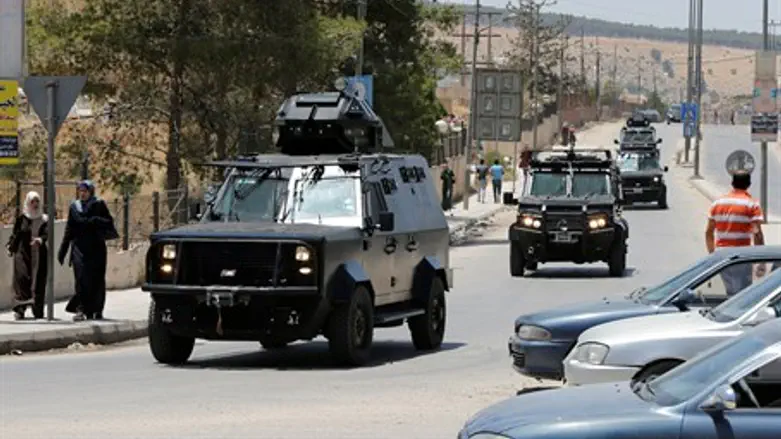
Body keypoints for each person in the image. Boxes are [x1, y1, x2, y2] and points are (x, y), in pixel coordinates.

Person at [58, 180, 118, 321]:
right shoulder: (74, 207)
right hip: (79, 249)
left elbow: (109, 222)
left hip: (96, 248)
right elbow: (69, 229)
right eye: (80, 191)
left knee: (96, 279)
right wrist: (63, 250)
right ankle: (81, 309)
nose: (83, 194)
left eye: (85, 191)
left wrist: (95, 220)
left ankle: (96, 310)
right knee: (81, 279)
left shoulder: (99, 204)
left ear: (91, 192)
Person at [705, 171, 765, 296]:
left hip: (722, 255)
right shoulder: (752, 204)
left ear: (732, 183)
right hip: (742, 255)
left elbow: (708, 232)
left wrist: (712, 254)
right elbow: (757, 233)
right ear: (748, 184)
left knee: (730, 291)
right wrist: (761, 260)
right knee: (743, 294)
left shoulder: (717, 203)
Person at [5, 191, 48, 320]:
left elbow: (47, 233)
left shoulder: (44, 219)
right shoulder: (22, 218)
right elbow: (16, 234)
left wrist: (40, 240)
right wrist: (11, 247)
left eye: (37, 202)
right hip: (22, 253)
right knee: (21, 280)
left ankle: (37, 310)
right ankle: (20, 309)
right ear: (27, 202)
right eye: (32, 201)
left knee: (38, 281)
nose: (34, 204)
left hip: (39, 254)